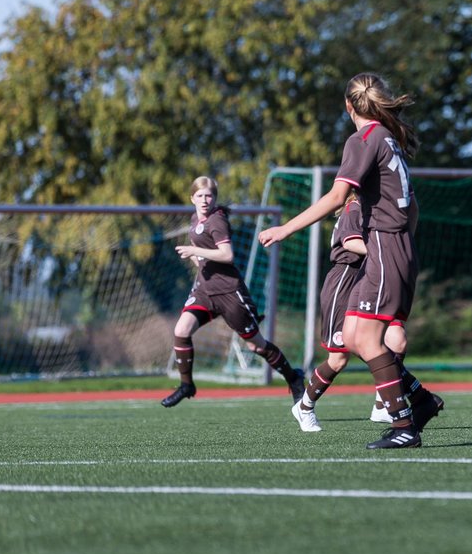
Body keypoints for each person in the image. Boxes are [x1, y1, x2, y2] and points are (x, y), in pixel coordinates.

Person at [259, 73, 439, 450]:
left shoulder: (364, 139)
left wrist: (285, 229)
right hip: (393, 247)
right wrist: (402, 239)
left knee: (365, 338)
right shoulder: (390, 139)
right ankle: (420, 401)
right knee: (356, 336)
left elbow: (337, 196)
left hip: (386, 248)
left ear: (348, 107)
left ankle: (404, 425)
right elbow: (414, 207)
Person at [290, 189, 442, 433]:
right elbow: (350, 242)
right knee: (339, 359)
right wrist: (385, 252)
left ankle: (382, 404)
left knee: (397, 340)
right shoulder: (354, 208)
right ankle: (305, 406)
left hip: (371, 279)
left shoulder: (378, 212)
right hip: (345, 282)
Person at [161, 176, 304, 408]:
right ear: (192, 198)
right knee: (181, 330)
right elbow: (203, 255)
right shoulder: (195, 218)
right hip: (205, 291)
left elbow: (227, 255)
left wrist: (195, 250)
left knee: (255, 346)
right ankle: (186, 384)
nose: (205, 200)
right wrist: (198, 259)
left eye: (209, 196)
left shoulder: (217, 221)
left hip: (229, 293)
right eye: (200, 196)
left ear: (215, 198)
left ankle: (294, 378)